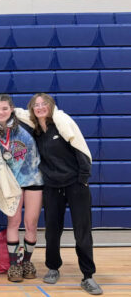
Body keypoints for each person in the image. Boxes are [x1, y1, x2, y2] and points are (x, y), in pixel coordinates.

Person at [27, 93, 103, 295]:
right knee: (52, 230)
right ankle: (53, 267)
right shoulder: (35, 132)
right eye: (36, 105)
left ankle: (88, 276)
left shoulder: (62, 124)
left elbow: (81, 149)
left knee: (82, 232)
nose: (40, 107)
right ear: (32, 109)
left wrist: (83, 178)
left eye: (44, 104)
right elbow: (13, 114)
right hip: (52, 186)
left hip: (75, 185)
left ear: (51, 107)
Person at [0, 94, 44, 282]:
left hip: (33, 178)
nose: (0, 112)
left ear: (12, 109)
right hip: (10, 182)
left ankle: (26, 261)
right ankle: (14, 265)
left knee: (31, 224)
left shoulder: (27, 123)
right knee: (13, 223)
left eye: (4, 108)